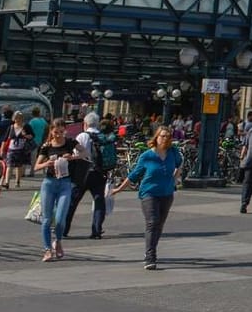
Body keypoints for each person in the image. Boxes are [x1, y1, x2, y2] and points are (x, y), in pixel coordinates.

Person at [111, 123, 184, 270]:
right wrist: (118, 189)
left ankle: (151, 250)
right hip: (149, 193)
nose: (165, 139)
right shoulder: (147, 156)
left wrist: (174, 180)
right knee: (152, 222)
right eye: (163, 136)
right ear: (156, 137)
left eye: (168, 137)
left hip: (167, 194)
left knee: (159, 225)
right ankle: (150, 256)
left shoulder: (173, 152)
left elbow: (180, 164)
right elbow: (134, 175)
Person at [33, 118, 84, 261]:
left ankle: (58, 241)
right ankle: (47, 249)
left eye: (61, 132)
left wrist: (72, 157)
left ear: (65, 131)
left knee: (61, 219)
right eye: (56, 132)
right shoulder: (47, 146)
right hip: (49, 183)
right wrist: (46, 163)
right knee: (47, 219)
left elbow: (85, 153)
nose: (58, 135)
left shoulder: (70, 142)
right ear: (51, 131)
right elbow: (36, 166)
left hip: (65, 183)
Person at [65, 112, 115, 239]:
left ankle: (64, 229)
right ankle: (96, 230)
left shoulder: (82, 135)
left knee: (73, 201)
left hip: (83, 172)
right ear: (97, 124)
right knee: (99, 201)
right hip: (99, 173)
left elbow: (77, 152)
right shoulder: (103, 136)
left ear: (85, 124)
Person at [4, 110, 34, 189]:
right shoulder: (11, 127)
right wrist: (2, 148)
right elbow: (6, 138)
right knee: (9, 165)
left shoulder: (26, 126)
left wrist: (25, 135)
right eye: (16, 118)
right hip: (11, 148)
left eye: (20, 118)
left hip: (21, 149)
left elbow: (32, 136)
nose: (18, 120)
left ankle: (17, 181)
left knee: (18, 166)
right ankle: (7, 182)